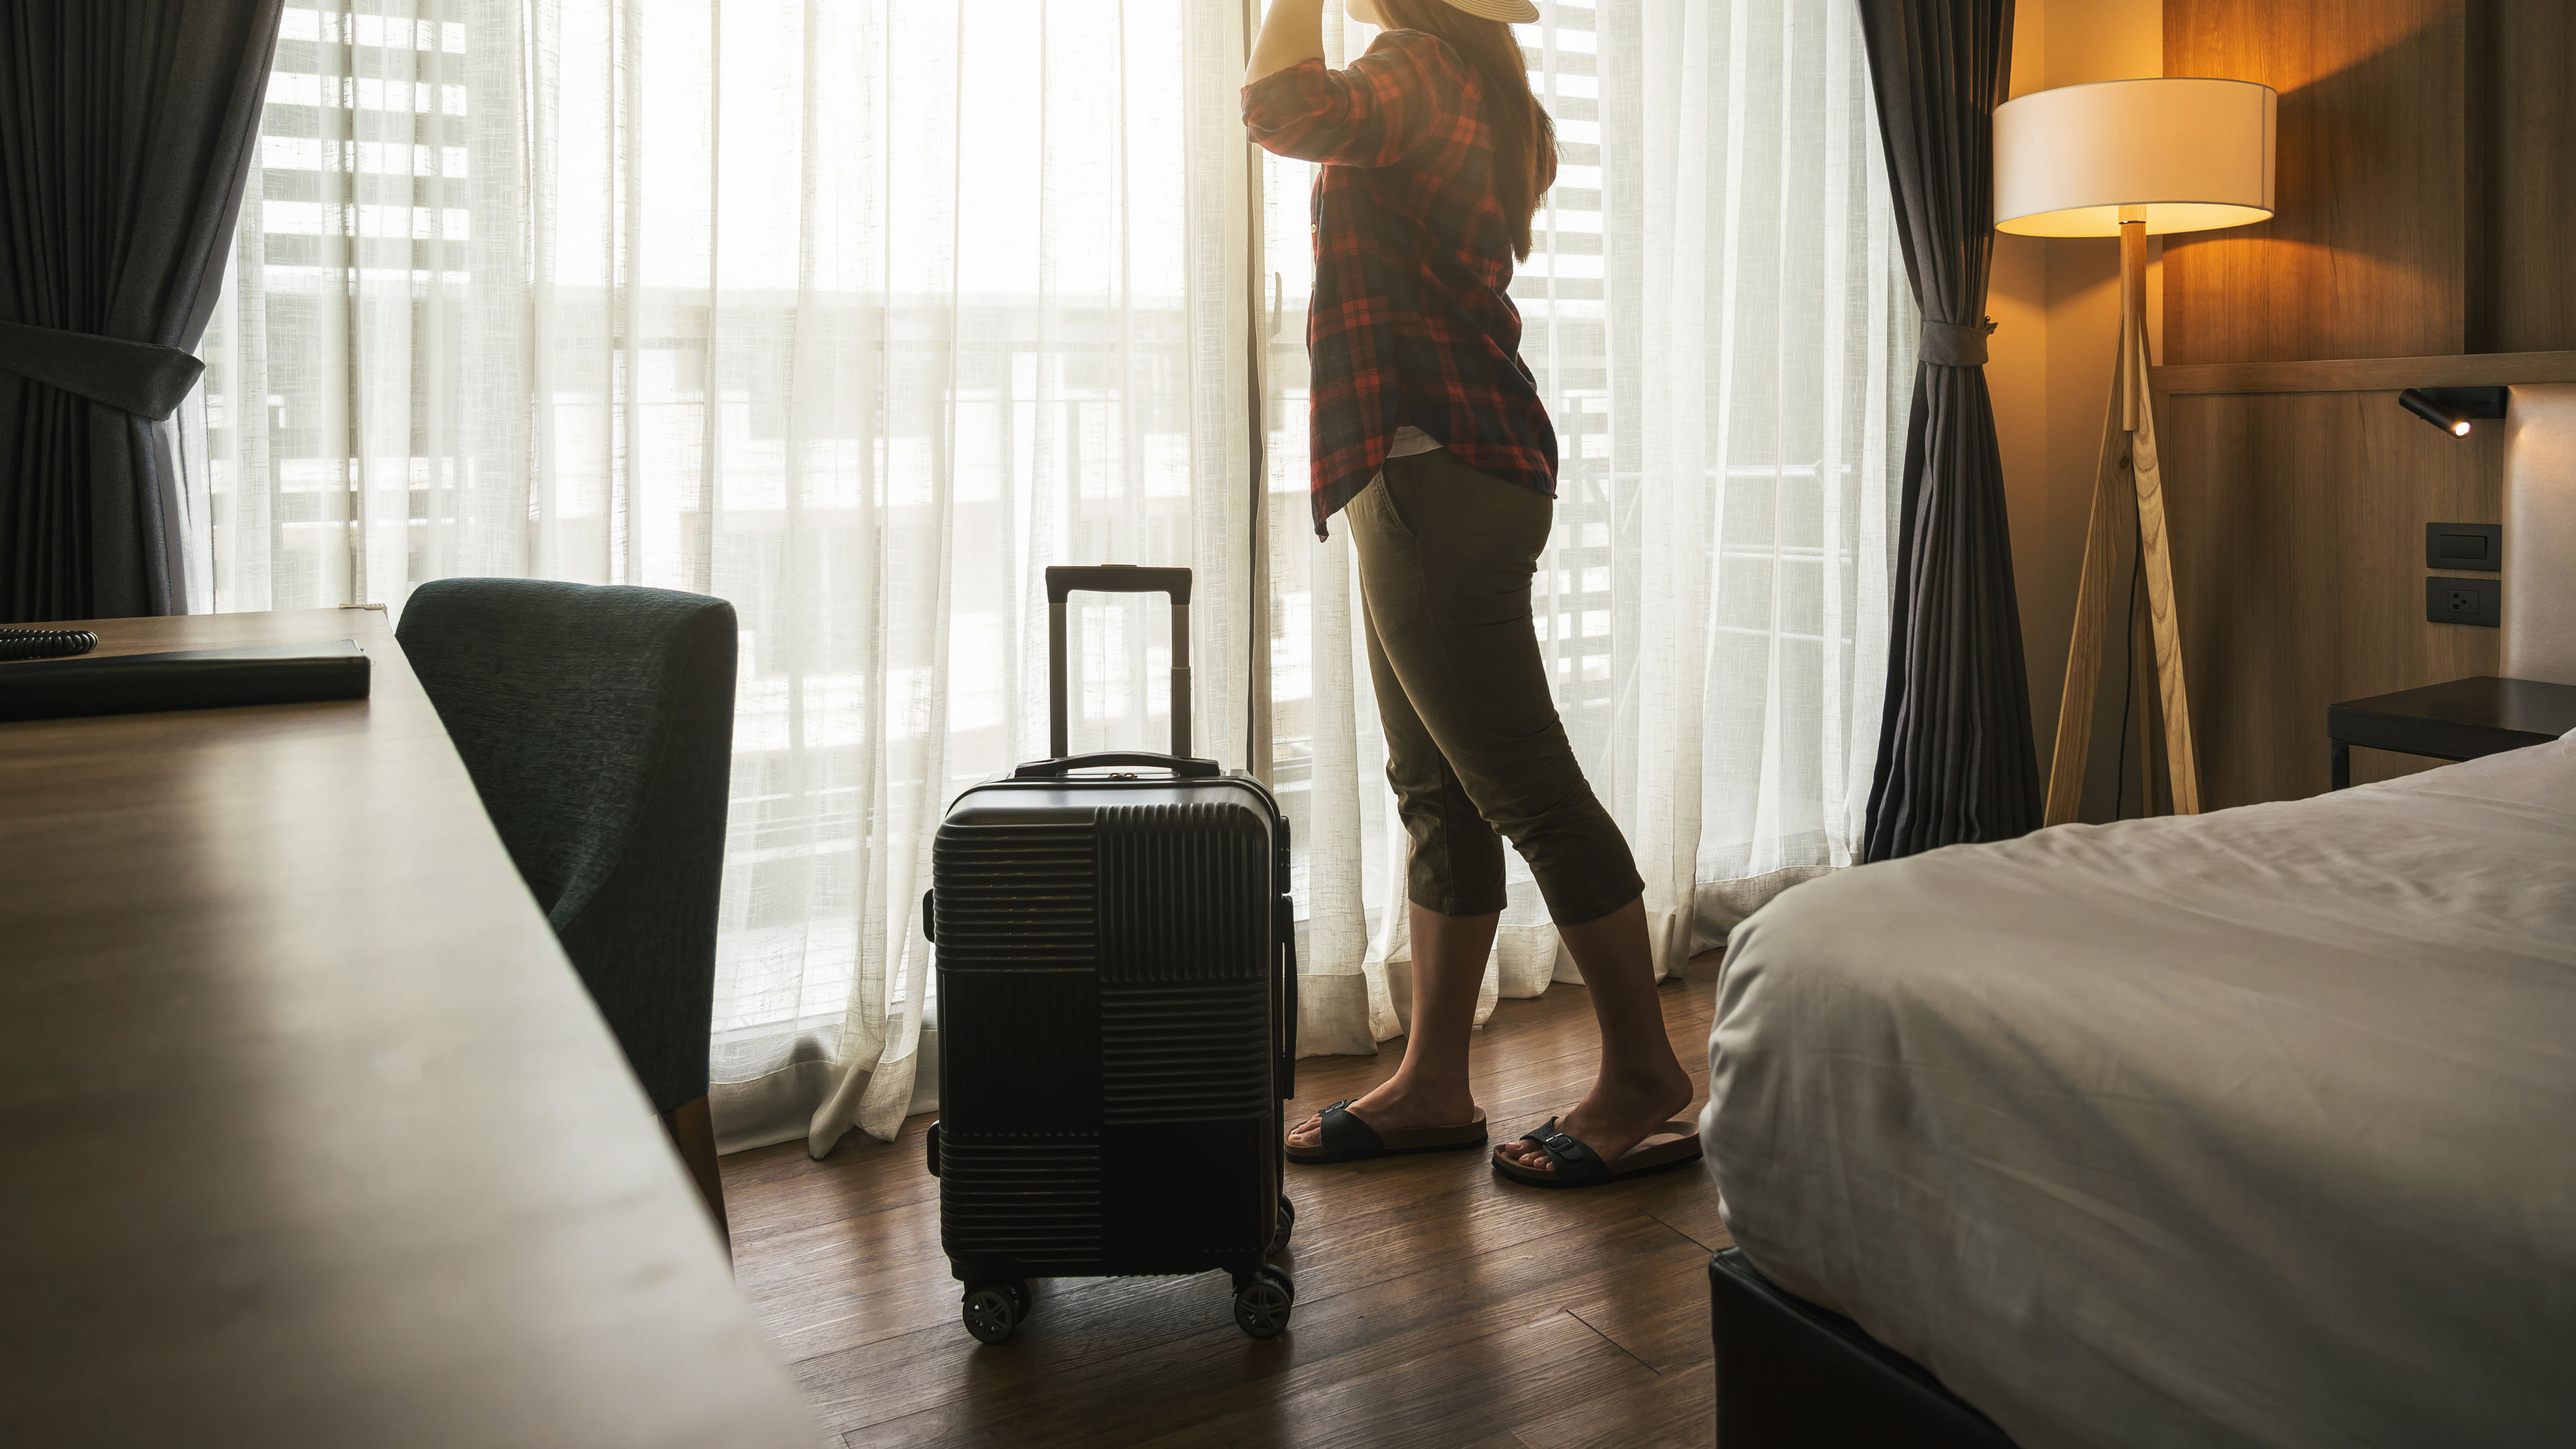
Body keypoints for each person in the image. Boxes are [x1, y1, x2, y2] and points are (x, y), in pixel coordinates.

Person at [1242, 0, 1698, 1187]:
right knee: (1439, 793)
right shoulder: (1476, 84)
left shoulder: (1423, 66)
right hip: (1441, 464)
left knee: (1524, 790)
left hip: (1430, 464)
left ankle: (1645, 1076)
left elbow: (1280, 107)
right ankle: (1435, 1082)